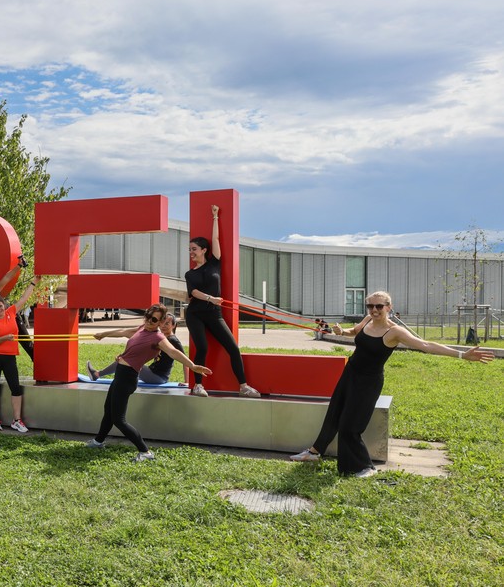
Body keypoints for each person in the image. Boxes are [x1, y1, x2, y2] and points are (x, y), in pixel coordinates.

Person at [289, 291, 494, 477]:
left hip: (368, 382)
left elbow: (425, 345)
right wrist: (342, 332)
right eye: (370, 306)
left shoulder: (395, 332)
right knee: (334, 413)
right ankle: (315, 452)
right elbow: (355, 331)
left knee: (350, 426)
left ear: (389, 307)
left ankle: (362, 467)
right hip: (350, 373)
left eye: (379, 306)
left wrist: (461, 354)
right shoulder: (368, 320)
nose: (374, 310)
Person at [85, 304, 213, 461]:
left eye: (154, 319)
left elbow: (173, 352)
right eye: (147, 316)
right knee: (108, 411)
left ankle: (145, 451)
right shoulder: (142, 328)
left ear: (160, 322)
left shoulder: (158, 338)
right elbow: (124, 332)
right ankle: (98, 441)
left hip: (128, 378)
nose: (149, 321)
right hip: (120, 375)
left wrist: (193, 366)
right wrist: (104, 334)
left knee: (119, 419)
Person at [185, 204, 260, 398]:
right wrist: (211, 298)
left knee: (233, 348)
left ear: (203, 250)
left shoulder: (214, 263)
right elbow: (193, 292)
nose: (191, 252)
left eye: (194, 249)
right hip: (196, 314)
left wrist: (215, 217)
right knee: (202, 347)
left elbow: (216, 238)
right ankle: (198, 385)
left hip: (214, 314)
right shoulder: (190, 273)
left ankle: (243, 386)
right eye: (190, 249)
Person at [0, 277, 39, 432]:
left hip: (10, 357)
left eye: (0, 306)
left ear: (4, 305)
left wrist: (34, 283)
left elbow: (24, 298)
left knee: (15, 388)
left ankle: (17, 420)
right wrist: (5, 338)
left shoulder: (11, 312)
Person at [86, 313, 183, 385]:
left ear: (173, 325)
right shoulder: (157, 336)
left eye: (167, 323)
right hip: (151, 372)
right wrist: (104, 334)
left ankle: (97, 374)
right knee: (126, 361)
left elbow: (184, 360)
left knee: (127, 361)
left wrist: (187, 383)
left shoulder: (173, 340)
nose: (163, 326)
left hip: (158, 377)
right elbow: (124, 332)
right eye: (162, 323)